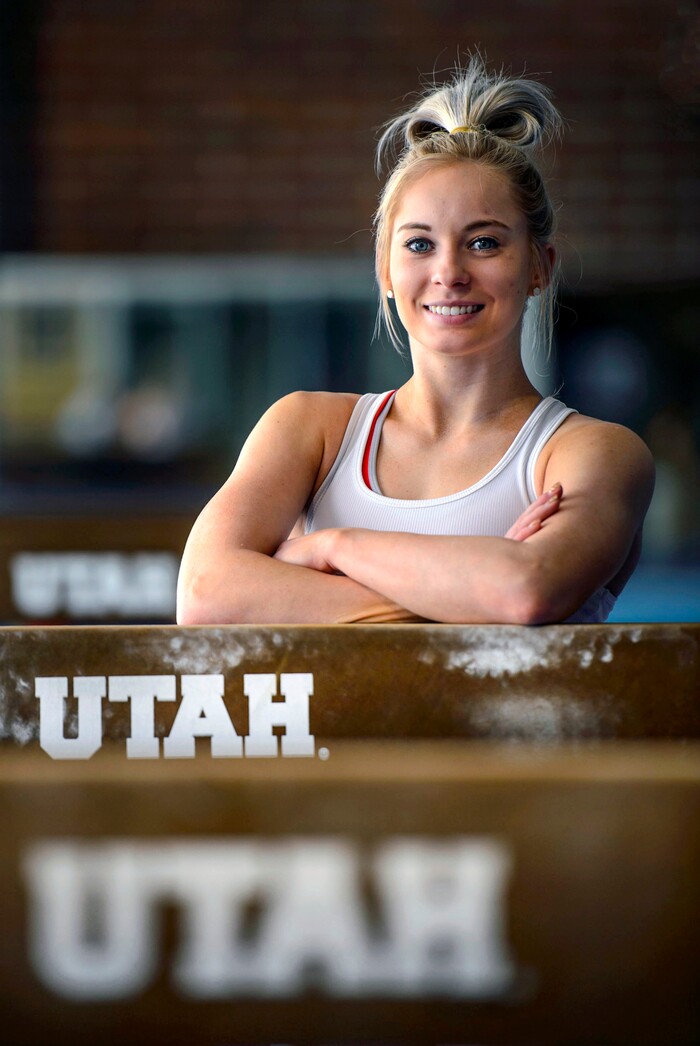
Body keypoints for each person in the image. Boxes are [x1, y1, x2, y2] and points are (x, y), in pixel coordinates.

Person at [177, 57, 654, 626]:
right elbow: (205, 595)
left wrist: (335, 549)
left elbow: (526, 592)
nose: (448, 272)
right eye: (420, 245)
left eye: (483, 243)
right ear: (384, 269)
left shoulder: (591, 454)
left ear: (538, 267)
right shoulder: (311, 431)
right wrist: (465, 587)